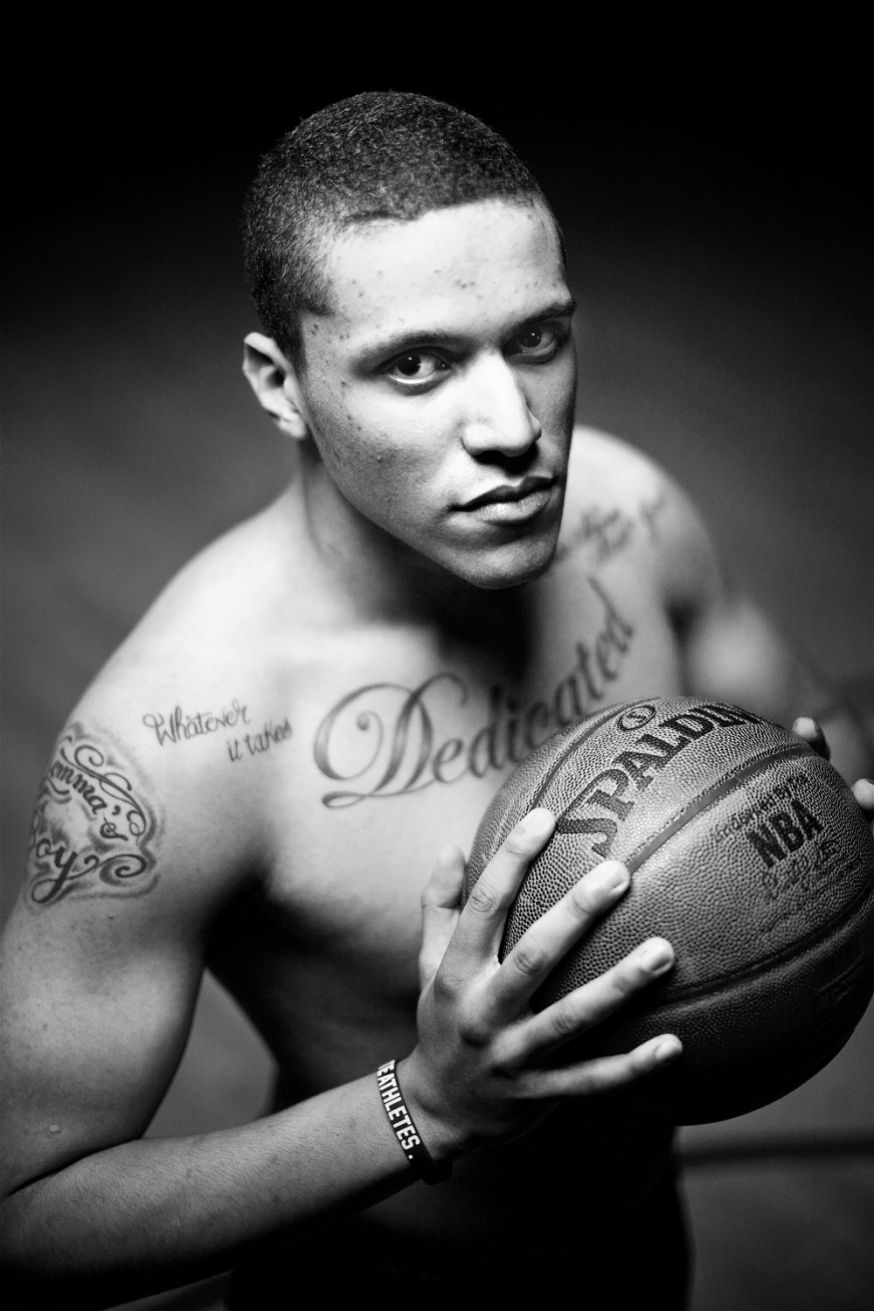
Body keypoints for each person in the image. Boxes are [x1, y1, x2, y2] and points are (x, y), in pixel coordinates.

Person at [1, 90, 871, 1311]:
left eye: (537, 339)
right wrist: (424, 1107)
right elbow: (26, 1214)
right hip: (377, 1280)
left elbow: (819, 742)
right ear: (281, 384)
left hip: (638, 1244)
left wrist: (828, 859)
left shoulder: (629, 516)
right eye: (416, 365)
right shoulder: (182, 742)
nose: (514, 429)